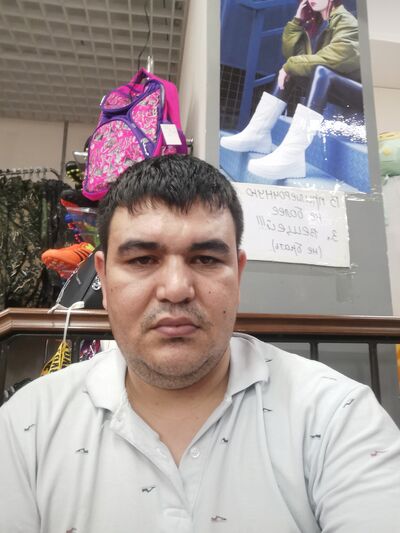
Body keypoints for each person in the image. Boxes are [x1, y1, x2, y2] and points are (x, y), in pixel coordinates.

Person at [0, 154, 399, 533]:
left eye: (206, 259)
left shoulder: (337, 416)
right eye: (142, 260)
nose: (176, 289)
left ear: (238, 274)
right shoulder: (27, 426)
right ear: (102, 278)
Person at [221, 0, 363, 180]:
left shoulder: (346, 21)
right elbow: (294, 58)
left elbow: (338, 57)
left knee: (317, 72)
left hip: (360, 95)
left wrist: (290, 66)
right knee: (289, 71)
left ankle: (292, 156)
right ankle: (258, 134)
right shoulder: (317, 23)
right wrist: (297, 23)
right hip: (335, 85)